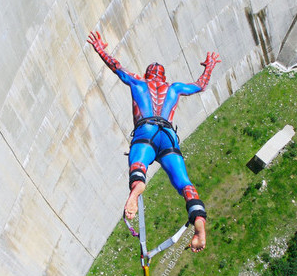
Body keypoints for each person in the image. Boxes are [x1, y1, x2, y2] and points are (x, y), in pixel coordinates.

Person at [87, 31, 220, 252]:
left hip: (146, 130)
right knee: (185, 185)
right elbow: (200, 86)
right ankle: (199, 226)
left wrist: (100, 48)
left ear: (147, 74)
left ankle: (137, 185)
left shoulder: (138, 83)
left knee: (138, 166)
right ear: (163, 77)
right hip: (168, 136)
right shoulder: (174, 88)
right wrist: (210, 66)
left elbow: (116, 67)